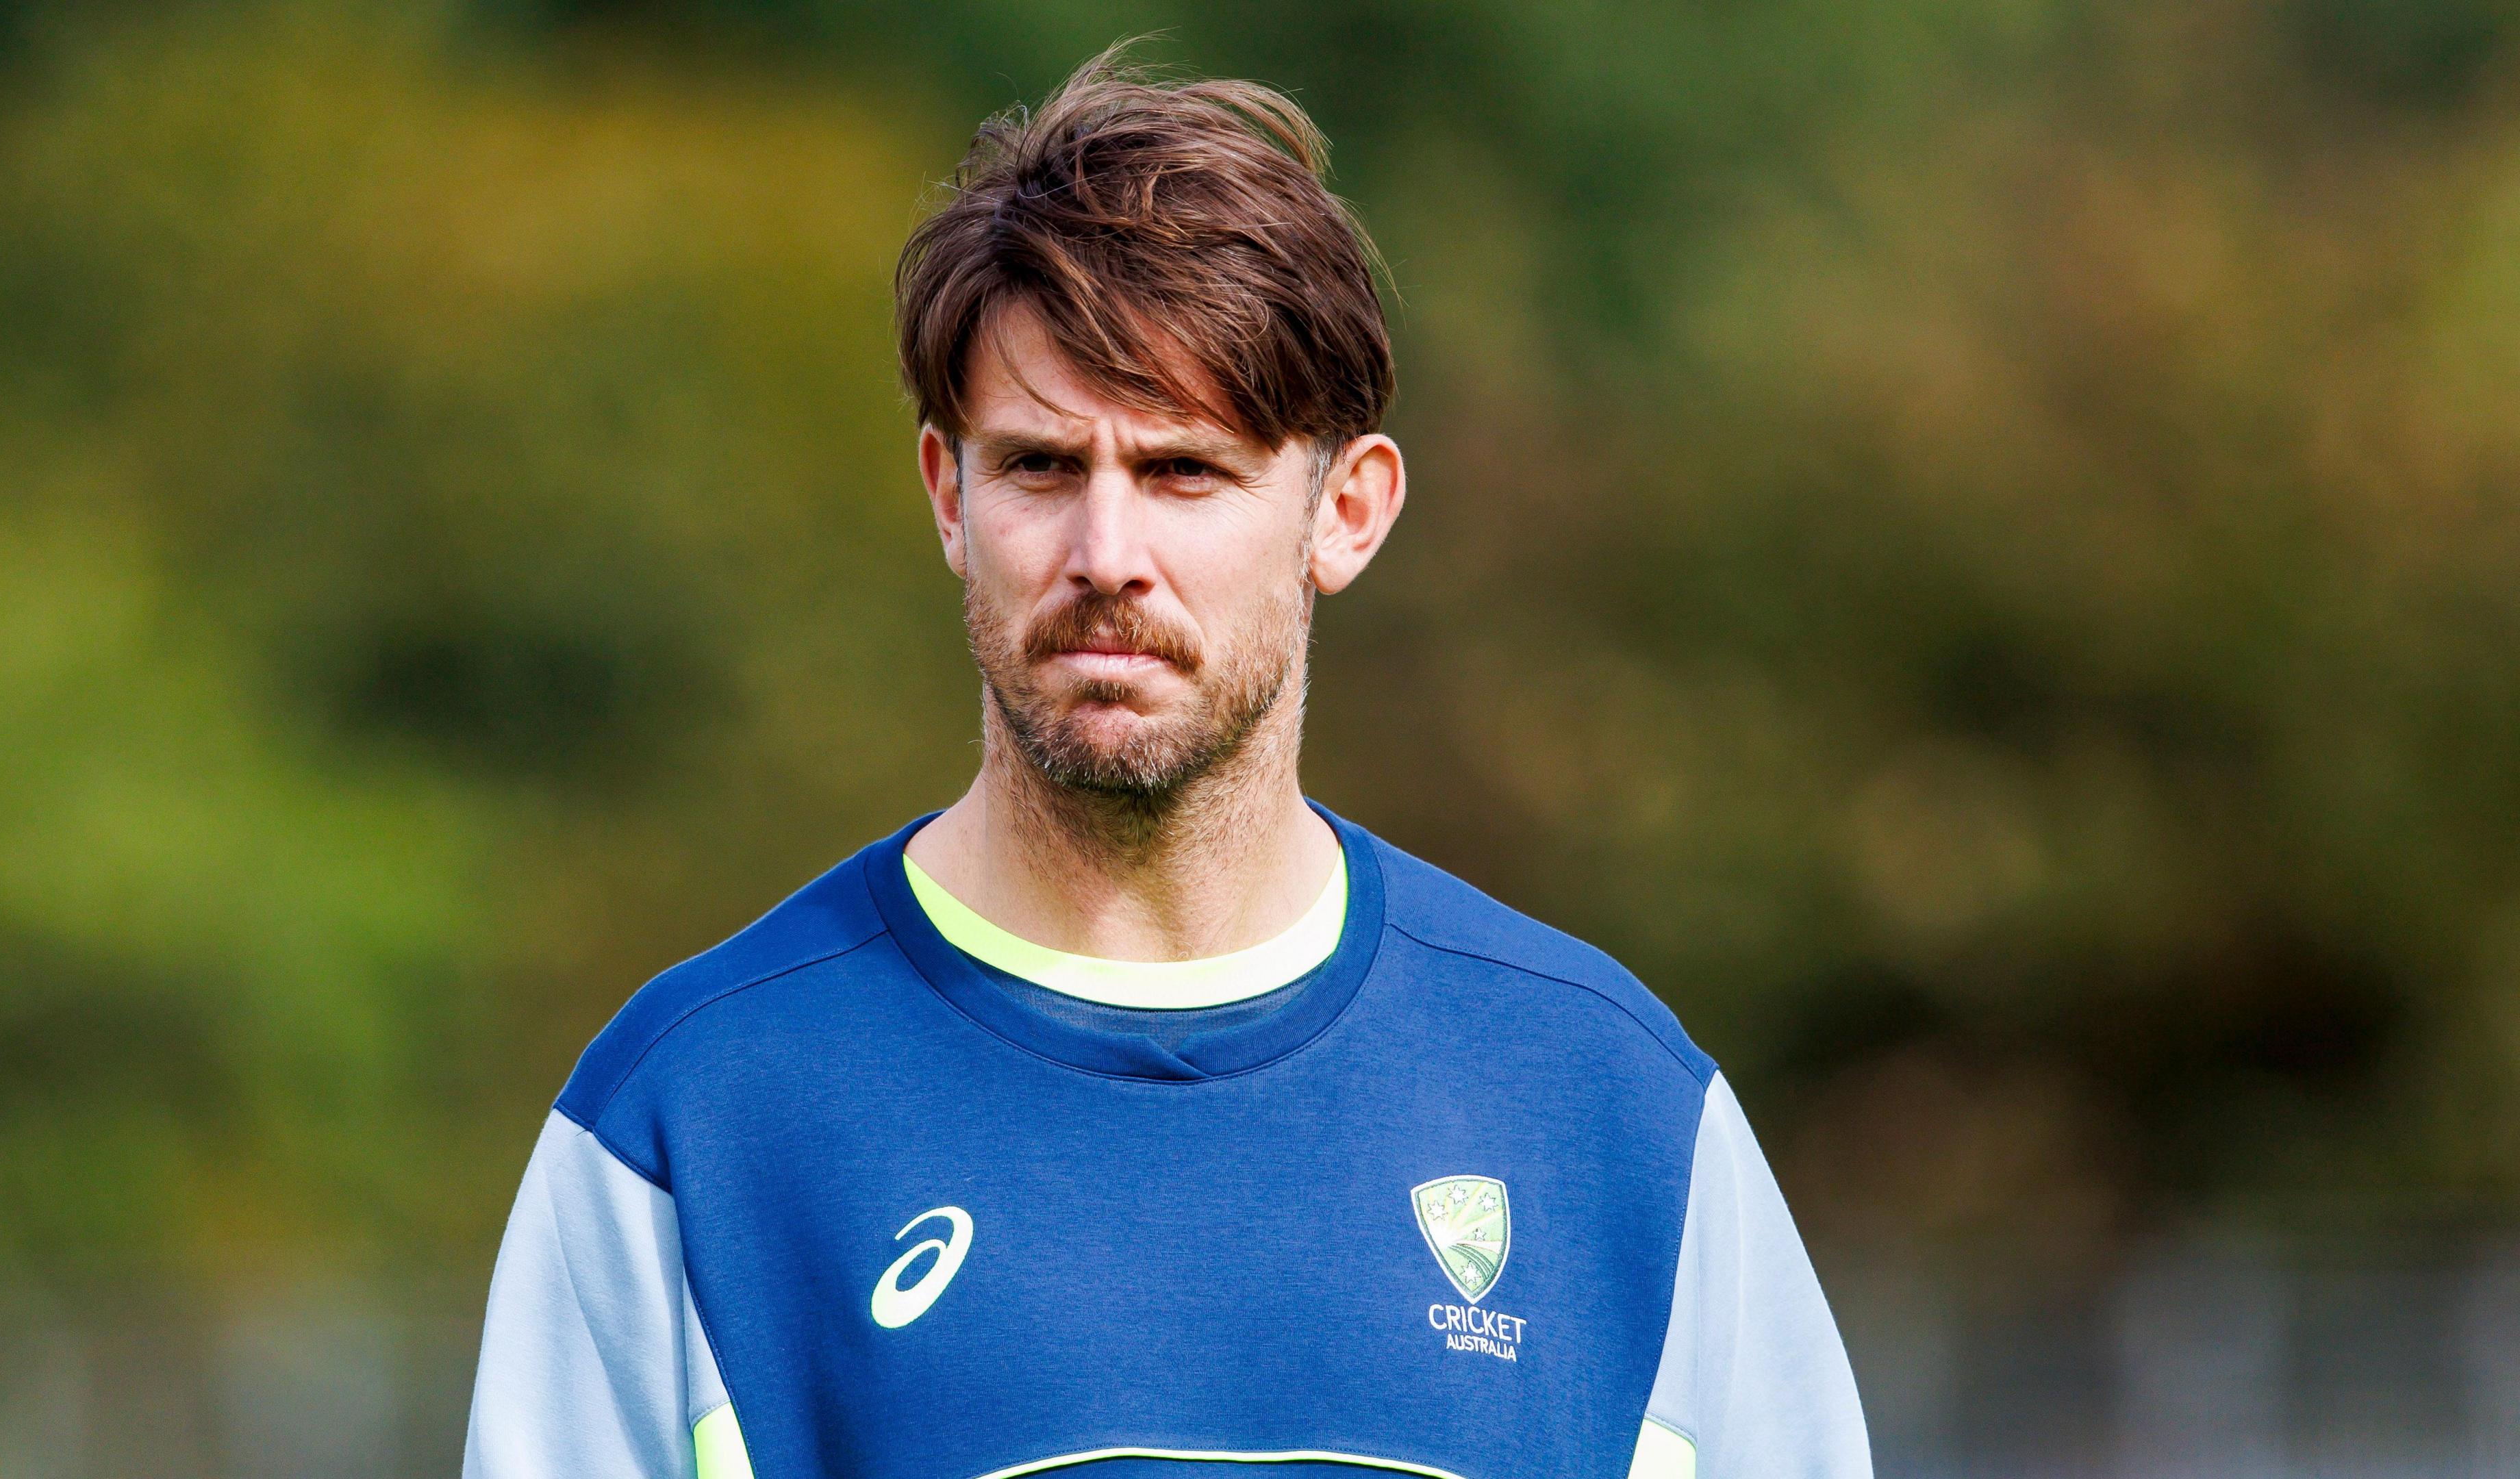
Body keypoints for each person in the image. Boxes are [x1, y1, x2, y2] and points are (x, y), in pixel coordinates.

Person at [462, 51, 1870, 1479]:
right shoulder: (687, 1121)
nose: (1106, 559)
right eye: (1040, 469)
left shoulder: (1611, 1110)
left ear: (1348, 513)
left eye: (1186, 471)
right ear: (949, 495)